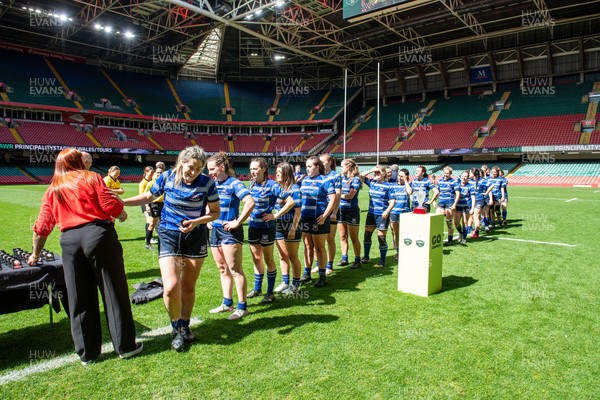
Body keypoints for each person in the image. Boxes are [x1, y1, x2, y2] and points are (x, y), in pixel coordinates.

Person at [28, 148, 142, 365]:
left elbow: (42, 226)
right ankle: (125, 346)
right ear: (76, 161)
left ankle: (87, 353)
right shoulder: (91, 177)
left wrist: (36, 253)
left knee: (78, 296)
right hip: (98, 235)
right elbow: (109, 203)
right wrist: (121, 212)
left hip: (69, 241)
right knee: (113, 289)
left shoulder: (54, 188)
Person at [122, 146, 220, 351]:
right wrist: (122, 202)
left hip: (195, 236)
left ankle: (184, 325)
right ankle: (175, 327)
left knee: (188, 286)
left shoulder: (207, 183)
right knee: (170, 286)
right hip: (168, 234)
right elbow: (148, 197)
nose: (193, 172)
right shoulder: (167, 177)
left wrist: (196, 222)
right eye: (190, 167)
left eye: (198, 169)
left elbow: (215, 212)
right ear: (181, 162)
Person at [206, 152, 255, 320]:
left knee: (235, 269)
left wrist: (238, 222)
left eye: (212, 169)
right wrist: (208, 219)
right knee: (222, 268)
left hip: (230, 231)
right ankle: (227, 303)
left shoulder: (234, 183)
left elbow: (250, 202)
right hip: (215, 230)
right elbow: (209, 203)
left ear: (221, 167)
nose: (210, 172)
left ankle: (242, 307)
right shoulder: (211, 184)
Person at [246, 157, 295, 304]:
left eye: (255, 169)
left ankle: (269, 293)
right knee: (256, 258)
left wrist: (275, 215)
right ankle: (257, 288)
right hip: (253, 226)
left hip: (267, 228)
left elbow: (291, 202)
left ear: (263, 169)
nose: (252, 172)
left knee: (268, 259)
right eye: (251, 169)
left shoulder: (272, 185)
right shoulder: (252, 184)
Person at [298, 156, 336, 287]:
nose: (307, 169)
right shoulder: (304, 180)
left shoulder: (325, 180)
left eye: (309, 166)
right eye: (306, 166)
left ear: (317, 167)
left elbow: (332, 199)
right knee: (308, 246)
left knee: (319, 247)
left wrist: (325, 216)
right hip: (305, 218)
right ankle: (306, 273)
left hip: (319, 219)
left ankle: (322, 276)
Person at [271, 162, 303, 296]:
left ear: (287, 173)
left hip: (291, 225)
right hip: (278, 225)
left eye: (280, 171)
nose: (277, 174)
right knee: (282, 255)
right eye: (277, 171)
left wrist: (293, 229)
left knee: (293, 256)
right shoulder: (278, 188)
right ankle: (285, 282)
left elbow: (298, 211)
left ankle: (296, 284)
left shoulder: (294, 189)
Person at [360, 165, 395, 268]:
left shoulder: (388, 186)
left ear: (384, 174)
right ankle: (366, 257)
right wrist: (372, 170)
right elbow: (361, 176)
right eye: (375, 173)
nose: (376, 174)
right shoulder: (372, 183)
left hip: (382, 215)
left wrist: (387, 211)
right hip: (371, 213)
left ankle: (382, 261)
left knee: (381, 237)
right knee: (367, 235)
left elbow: (392, 201)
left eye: (378, 173)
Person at [317, 154, 341, 275]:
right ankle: (319, 264)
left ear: (329, 162)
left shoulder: (335, 176)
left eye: (322, 161)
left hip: (331, 211)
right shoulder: (319, 176)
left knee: (329, 238)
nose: (320, 163)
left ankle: (329, 265)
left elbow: (337, 196)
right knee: (318, 240)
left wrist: (335, 212)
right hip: (319, 211)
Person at [337, 158, 363, 269]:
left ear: (348, 167)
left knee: (354, 237)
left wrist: (338, 196)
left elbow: (350, 196)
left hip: (352, 211)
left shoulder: (355, 180)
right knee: (343, 236)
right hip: (340, 210)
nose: (340, 168)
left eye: (342, 166)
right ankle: (344, 258)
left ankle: (357, 259)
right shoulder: (341, 178)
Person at [389, 168, 413, 260]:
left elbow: (410, 192)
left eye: (402, 176)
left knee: (405, 233)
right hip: (394, 212)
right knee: (396, 233)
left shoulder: (408, 185)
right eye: (399, 176)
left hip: (405, 213)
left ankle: (406, 250)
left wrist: (406, 181)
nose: (400, 178)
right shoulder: (393, 186)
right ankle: (399, 252)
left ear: (406, 177)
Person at [436, 166, 459, 245]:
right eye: (445, 173)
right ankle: (438, 237)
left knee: (448, 222)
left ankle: (450, 239)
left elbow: (457, 194)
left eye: (448, 173)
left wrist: (454, 204)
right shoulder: (439, 181)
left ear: (450, 174)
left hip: (449, 203)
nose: (446, 175)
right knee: (437, 221)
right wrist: (434, 201)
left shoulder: (454, 182)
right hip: (441, 203)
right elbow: (437, 192)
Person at [452, 170, 476, 244]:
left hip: (466, 206)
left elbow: (473, 198)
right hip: (458, 206)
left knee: (465, 222)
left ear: (468, 178)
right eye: (463, 176)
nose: (464, 178)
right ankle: (460, 233)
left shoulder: (470, 186)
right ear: (461, 177)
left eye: (466, 176)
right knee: (456, 222)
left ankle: (464, 238)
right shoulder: (457, 185)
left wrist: (472, 208)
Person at [144, 166, 165, 249]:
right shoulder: (151, 183)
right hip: (155, 205)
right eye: (158, 173)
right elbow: (146, 196)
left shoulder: (165, 182)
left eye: (161, 173)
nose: (159, 174)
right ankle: (147, 243)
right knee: (152, 224)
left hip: (163, 205)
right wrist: (147, 206)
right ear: (155, 174)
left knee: (163, 224)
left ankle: (162, 243)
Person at [139, 166, 155, 248]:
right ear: (146, 173)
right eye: (150, 173)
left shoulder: (151, 182)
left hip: (150, 203)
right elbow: (142, 195)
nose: (151, 174)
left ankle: (149, 237)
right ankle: (148, 239)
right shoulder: (143, 183)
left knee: (150, 221)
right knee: (150, 221)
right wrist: (146, 205)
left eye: (152, 173)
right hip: (145, 203)